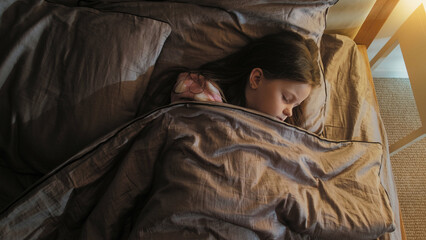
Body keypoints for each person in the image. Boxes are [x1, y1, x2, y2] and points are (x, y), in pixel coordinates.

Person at [171, 30, 320, 125]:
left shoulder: (284, 130)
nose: (289, 112)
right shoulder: (199, 90)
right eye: (286, 98)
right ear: (256, 79)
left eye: (296, 105)